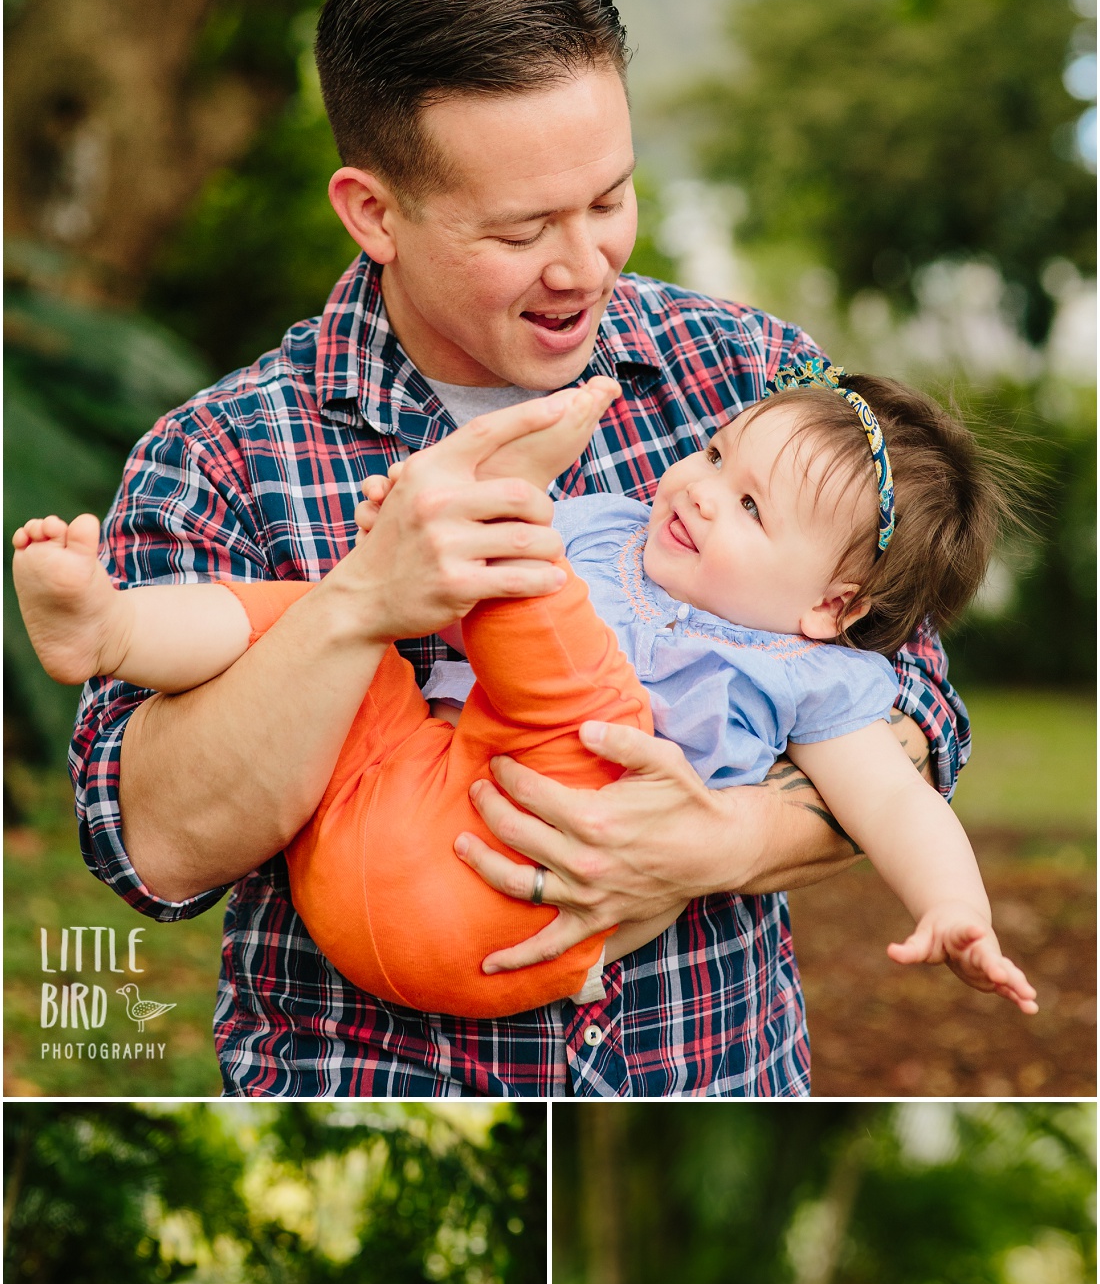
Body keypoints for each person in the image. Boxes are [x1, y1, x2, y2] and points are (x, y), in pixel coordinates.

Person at [60, 0, 970, 1095]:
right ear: (372, 211)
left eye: (607, 200)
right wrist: (359, 607)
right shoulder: (222, 454)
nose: (583, 263)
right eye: (520, 228)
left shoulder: (750, 381)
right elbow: (153, 846)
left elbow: (916, 712)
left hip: (703, 1086)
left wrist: (720, 843)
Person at [14, 362, 1036, 1021]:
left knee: (547, 630)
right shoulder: (597, 529)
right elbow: (427, 613)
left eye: (749, 507)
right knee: (326, 621)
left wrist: (952, 905)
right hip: (412, 796)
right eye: (715, 453)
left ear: (830, 604)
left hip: (513, 903)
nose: (693, 489)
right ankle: (115, 626)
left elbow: (901, 794)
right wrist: (403, 548)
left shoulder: (808, 673)